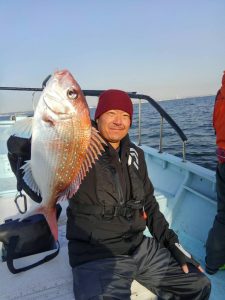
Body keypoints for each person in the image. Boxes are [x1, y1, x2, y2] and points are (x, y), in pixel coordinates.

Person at [67, 89, 211, 300]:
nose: (119, 121)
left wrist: (174, 245)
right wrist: (25, 150)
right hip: (97, 255)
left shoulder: (136, 154)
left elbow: (150, 205)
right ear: (97, 117)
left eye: (125, 115)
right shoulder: (76, 149)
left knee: (198, 284)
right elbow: (39, 163)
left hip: (138, 246)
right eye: (111, 113)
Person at [205, 71, 225, 275]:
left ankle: (212, 262)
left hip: (223, 161)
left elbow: (214, 124)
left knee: (223, 215)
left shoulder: (221, 92)